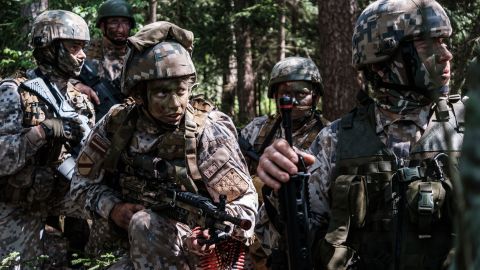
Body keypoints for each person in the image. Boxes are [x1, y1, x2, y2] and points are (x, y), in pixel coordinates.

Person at [257, 0, 463, 269]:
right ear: (382, 60)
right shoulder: (335, 141)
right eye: (428, 45)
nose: (446, 54)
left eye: (445, 42)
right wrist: (279, 189)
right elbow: (281, 241)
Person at [71, 21, 257, 269]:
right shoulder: (117, 124)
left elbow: (244, 204)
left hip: (194, 252)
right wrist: (113, 208)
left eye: (181, 91)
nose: (175, 104)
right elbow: (80, 184)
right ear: (139, 94)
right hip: (127, 245)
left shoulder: (206, 131)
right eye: (162, 93)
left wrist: (211, 233)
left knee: (144, 223)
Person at [0, 10, 94, 267]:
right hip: (18, 201)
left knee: (117, 212)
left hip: (63, 192)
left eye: (83, 47)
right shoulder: (14, 93)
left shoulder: (80, 102)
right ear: (49, 47)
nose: (82, 55)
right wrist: (40, 132)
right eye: (75, 47)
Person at [239, 56, 329, 269]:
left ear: (315, 97)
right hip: (252, 235)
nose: (293, 101)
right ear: (275, 96)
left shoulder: (328, 136)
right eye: (285, 94)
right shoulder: (257, 130)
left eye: (301, 94)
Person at [71, 0, 135, 119]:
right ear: (102, 25)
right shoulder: (84, 50)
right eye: (114, 22)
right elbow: (55, 76)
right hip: (91, 117)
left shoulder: (138, 52)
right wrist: (77, 85)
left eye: (125, 22)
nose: (120, 29)